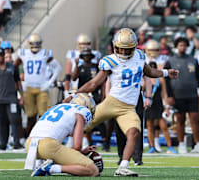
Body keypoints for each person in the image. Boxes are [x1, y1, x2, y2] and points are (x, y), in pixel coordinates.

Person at [64, 28, 179, 177]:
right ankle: (53, 155)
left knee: (133, 132)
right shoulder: (110, 60)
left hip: (128, 108)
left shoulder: (138, 56)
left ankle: (123, 167)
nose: (124, 53)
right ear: (115, 47)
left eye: (127, 49)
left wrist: (166, 73)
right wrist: (74, 94)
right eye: (121, 49)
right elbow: (94, 83)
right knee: (82, 126)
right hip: (112, 102)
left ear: (135, 47)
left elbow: (149, 71)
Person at [25, 93, 99, 177]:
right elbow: (77, 146)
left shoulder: (57, 107)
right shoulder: (81, 112)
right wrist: (80, 153)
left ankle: (45, 165)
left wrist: (81, 152)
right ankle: (50, 168)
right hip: (48, 146)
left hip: (30, 144)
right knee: (93, 170)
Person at [164, 37, 199, 154]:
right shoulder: (170, 61)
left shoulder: (193, 60)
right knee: (180, 120)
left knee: (195, 120)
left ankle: (198, 144)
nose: (182, 47)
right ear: (176, 46)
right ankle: (181, 144)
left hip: (192, 95)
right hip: (177, 95)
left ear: (187, 46)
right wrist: (169, 96)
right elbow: (166, 80)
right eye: (180, 45)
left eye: (184, 45)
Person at [15, 34, 61, 135]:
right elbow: (15, 67)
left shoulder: (45, 53)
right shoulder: (23, 53)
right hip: (28, 88)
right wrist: (20, 81)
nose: (35, 46)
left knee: (43, 114)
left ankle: (42, 135)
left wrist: (49, 82)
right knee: (30, 115)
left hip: (42, 88)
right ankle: (30, 136)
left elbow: (58, 67)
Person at [146, 61, 178, 154]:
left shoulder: (160, 79)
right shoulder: (145, 78)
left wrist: (167, 106)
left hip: (158, 104)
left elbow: (164, 93)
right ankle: (152, 146)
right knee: (150, 127)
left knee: (163, 126)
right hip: (149, 104)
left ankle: (170, 147)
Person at [0, 48, 24, 150]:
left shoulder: (12, 67)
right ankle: (2, 142)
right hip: (0, 99)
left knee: (14, 119)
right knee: (1, 122)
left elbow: (18, 82)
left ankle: (16, 142)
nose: (0, 58)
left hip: (11, 98)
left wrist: (21, 96)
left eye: (1, 55)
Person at [64, 34, 101, 99]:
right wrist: (66, 91)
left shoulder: (96, 55)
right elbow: (69, 76)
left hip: (93, 88)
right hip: (76, 87)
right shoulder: (72, 54)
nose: (85, 45)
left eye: (87, 43)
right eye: (83, 43)